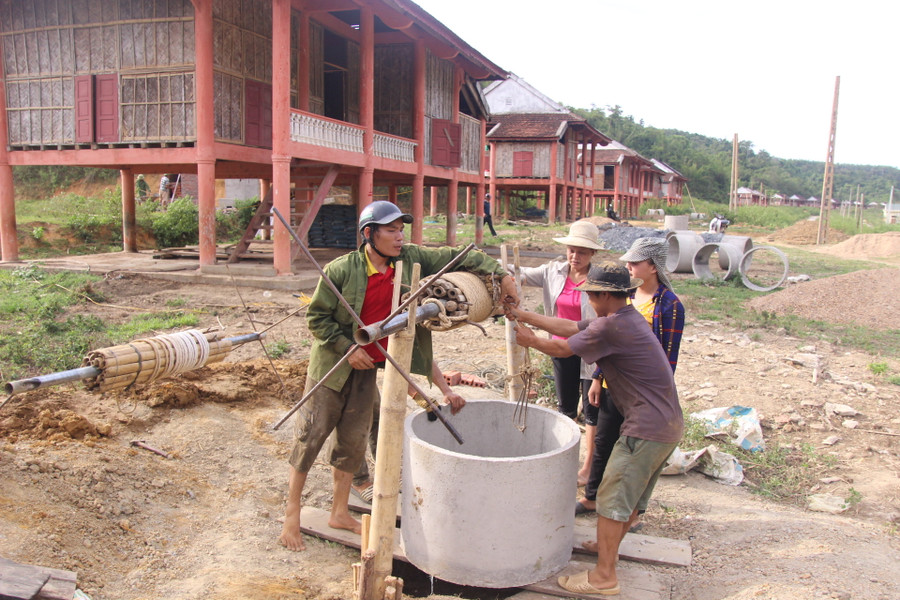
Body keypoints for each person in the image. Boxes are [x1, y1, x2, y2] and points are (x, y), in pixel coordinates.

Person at [279, 200, 518, 551]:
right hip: (331, 371)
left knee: (352, 442)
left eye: (401, 229)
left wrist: (502, 275)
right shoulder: (342, 270)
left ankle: (339, 512)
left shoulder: (409, 262)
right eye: (391, 230)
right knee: (309, 439)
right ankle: (290, 516)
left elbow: (461, 254)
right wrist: (348, 346)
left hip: (366, 373)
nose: (399, 236)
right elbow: (317, 318)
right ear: (369, 234)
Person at [506, 262, 683, 596]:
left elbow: (561, 347)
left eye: (591, 294)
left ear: (604, 295)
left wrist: (529, 341)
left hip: (645, 428)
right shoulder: (623, 319)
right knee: (628, 502)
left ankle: (604, 577)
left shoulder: (611, 328)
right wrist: (524, 315)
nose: (588, 299)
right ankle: (607, 549)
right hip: (666, 425)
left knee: (610, 498)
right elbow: (569, 326)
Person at [576, 237, 685, 520]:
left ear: (653, 267)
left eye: (635, 263)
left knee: (633, 454)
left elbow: (666, 359)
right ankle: (592, 498)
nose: (629, 266)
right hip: (613, 384)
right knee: (603, 442)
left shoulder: (669, 305)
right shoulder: (627, 298)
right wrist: (597, 378)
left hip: (640, 395)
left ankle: (630, 513)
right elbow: (607, 342)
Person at [515, 220, 601, 486]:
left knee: (592, 410)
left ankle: (588, 468)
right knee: (565, 407)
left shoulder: (600, 279)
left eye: (582, 252)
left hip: (591, 349)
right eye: (572, 250)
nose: (575, 257)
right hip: (559, 347)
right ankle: (565, 460)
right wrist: (494, 267)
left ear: (593, 255)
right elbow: (521, 273)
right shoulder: (554, 271)